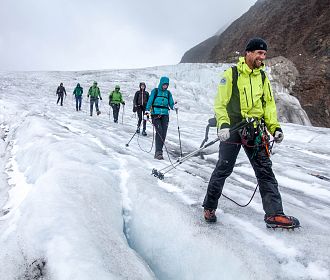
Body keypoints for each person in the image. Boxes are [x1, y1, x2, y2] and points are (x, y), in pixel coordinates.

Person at [202, 38, 300, 229]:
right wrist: (222, 125)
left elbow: (268, 106)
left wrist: (275, 128)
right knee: (224, 168)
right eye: (259, 53)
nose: (262, 57)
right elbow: (220, 103)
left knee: (265, 170)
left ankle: (274, 215)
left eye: (264, 54)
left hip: (255, 130)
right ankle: (209, 207)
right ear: (248, 53)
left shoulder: (262, 78)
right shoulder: (231, 75)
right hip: (232, 129)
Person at [145, 77, 175, 160]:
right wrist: (147, 111)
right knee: (159, 132)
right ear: (161, 83)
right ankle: (158, 152)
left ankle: (159, 151)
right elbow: (150, 101)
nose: (165, 86)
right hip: (155, 114)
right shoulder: (155, 91)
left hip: (165, 115)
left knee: (164, 133)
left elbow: (171, 103)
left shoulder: (168, 93)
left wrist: (174, 107)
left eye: (167, 85)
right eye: (164, 85)